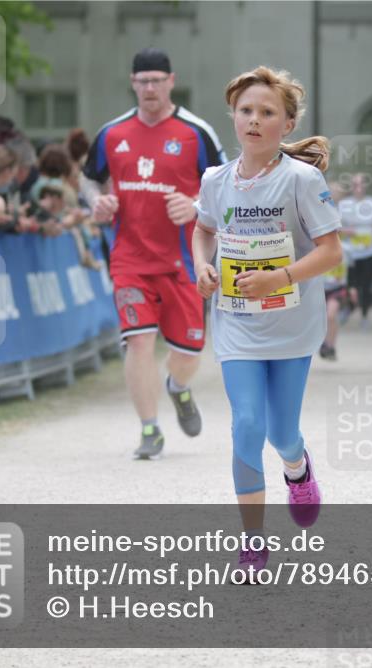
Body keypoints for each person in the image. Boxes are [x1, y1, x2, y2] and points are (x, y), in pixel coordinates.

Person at [192, 65, 342, 581]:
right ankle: (252, 543)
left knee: (281, 432)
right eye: (246, 110)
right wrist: (202, 266)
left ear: (288, 124)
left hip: (292, 324)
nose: (254, 120)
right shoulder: (215, 179)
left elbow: (331, 253)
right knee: (247, 425)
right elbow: (202, 230)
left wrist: (279, 278)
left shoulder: (302, 179)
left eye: (267, 112)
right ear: (233, 117)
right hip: (236, 324)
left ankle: (298, 468)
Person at [85, 47, 226, 459]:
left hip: (184, 261)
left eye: (156, 80)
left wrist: (196, 204)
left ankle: (178, 388)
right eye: (142, 80)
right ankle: (150, 429)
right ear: (133, 83)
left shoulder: (195, 132)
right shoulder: (112, 133)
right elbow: (88, 179)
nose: (149, 87)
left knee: (187, 352)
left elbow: (225, 185)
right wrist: (98, 202)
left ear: (170, 81)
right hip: (129, 259)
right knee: (139, 342)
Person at [338, 173, 372, 327]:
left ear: (365, 186)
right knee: (351, 286)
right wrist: (347, 231)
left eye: (361, 184)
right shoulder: (343, 204)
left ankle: (364, 316)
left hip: (370, 251)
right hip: (350, 252)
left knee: (366, 285)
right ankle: (349, 309)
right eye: (355, 184)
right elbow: (335, 227)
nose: (358, 188)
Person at [320, 181, 349, 360]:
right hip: (319, 284)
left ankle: (330, 345)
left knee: (331, 315)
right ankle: (323, 343)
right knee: (319, 319)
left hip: (337, 286)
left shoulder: (347, 248)